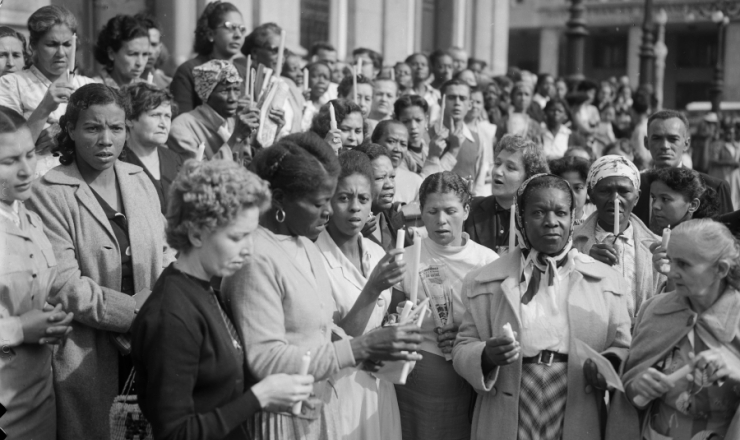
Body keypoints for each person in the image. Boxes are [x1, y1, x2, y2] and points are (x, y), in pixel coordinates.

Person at [221, 132, 423, 440]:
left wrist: (375, 346)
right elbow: (264, 359)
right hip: (276, 422)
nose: (328, 212)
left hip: (316, 412)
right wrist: (357, 347)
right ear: (279, 200)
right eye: (319, 202)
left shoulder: (303, 244)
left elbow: (321, 331)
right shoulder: (254, 257)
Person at [26, 83, 173, 440]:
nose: (106, 139)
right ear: (71, 130)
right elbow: (63, 283)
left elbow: (168, 253)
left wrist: (150, 312)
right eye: (93, 128)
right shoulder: (50, 192)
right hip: (88, 355)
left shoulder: (139, 181)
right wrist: (131, 314)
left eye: (116, 128)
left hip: (149, 347)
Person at [131, 159, 314, 440]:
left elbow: (212, 395)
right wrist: (259, 396)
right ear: (195, 233)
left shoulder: (201, 289)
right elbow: (175, 433)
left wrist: (272, 396)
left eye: (251, 236)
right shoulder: (172, 313)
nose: (248, 249)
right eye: (237, 237)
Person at [453, 173, 632, 440]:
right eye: (538, 212)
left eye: (560, 212)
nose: (551, 222)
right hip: (509, 397)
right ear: (520, 220)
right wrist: (486, 356)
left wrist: (607, 366)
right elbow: (462, 346)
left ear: (573, 218)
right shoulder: (485, 281)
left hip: (576, 398)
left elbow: (624, 346)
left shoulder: (606, 281)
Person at [610, 219, 740, 440]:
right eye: (670, 261)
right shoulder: (654, 309)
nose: (670, 272)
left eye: (684, 264)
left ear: (720, 269)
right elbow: (630, 387)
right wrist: (635, 386)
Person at [393, 171, 499, 440]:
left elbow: (495, 328)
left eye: (450, 210)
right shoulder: (405, 258)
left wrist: (467, 338)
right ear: (421, 212)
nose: (441, 220)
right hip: (413, 382)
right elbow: (389, 320)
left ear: (466, 210)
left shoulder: (487, 263)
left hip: (464, 383)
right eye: (432, 211)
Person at [316, 150, 403, 440]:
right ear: (328, 199)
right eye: (344, 198)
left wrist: (394, 328)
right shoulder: (313, 256)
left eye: (363, 199)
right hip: (339, 390)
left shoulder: (376, 252)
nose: (355, 208)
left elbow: (380, 318)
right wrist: (373, 288)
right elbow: (331, 340)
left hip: (379, 388)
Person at [0, 106, 74, 440]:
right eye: (9, 161)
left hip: (38, 398)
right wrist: (17, 329)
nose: (27, 169)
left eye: (30, 154)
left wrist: (46, 317)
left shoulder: (27, 215)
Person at [0, 6, 97, 176]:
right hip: (34, 183)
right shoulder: (10, 84)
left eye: (67, 44)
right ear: (33, 46)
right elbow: (8, 149)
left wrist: (66, 135)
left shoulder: (89, 86)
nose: (60, 53)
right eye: (51, 44)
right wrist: (45, 107)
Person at [573, 154, 664, 316]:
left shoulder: (657, 248)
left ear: (636, 197)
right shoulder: (571, 244)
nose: (615, 199)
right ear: (592, 196)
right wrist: (583, 261)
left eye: (624, 191)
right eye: (605, 191)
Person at [633, 110, 734, 226]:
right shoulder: (634, 186)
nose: (665, 146)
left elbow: (728, 239)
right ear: (646, 143)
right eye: (657, 138)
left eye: (673, 139)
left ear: (686, 144)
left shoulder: (714, 188)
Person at [464, 134, 549, 253]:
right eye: (497, 164)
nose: (498, 171)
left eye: (510, 168)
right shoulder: (470, 208)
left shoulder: (537, 219)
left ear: (529, 177)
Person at [167, 59, 258, 161]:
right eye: (224, 91)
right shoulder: (182, 128)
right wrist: (236, 137)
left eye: (236, 90)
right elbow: (199, 174)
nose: (233, 98)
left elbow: (248, 163)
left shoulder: (234, 121)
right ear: (206, 94)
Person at [170, 1, 246, 115]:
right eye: (230, 27)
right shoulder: (188, 71)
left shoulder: (244, 72)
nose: (238, 35)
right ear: (211, 34)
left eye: (242, 29)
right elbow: (181, 122)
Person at [119, 82, 183, 213]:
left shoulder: (174, 159)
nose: (163, 124)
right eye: (155, 115)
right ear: (130, 119)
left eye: (167, 116)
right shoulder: (118, 162)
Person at [423, 80, 488, 196]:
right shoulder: (427, 134)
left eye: (462, 98)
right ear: (440, 102)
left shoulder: (477, 138)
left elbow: (479, 183)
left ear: (469, 104)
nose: (457, 102)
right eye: (451, 97)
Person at [242, 22, 301, 137]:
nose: (281, 56)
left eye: (284, 51)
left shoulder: (289, 85)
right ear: (255, 52)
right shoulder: (247, 82)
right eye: (275, 51)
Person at [355, 143, 404, 251]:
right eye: (379, 178)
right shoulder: (345, 226)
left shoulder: (394, 220)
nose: (389, 185)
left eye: (392, 177)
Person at [372, 119, 422, 203]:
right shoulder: (364, 176)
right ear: (375, 142)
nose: (397, 149)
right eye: (391, 141)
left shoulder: (416, 182)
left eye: (403, 144)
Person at [93, 15, 150, 89]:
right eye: (132, 54)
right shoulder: (95, 88)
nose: (140, 63)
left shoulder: (146, 91)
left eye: (145, 54)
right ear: (111, 53)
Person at [549, 155, 596, 226]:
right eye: (563, 187)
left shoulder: (593, 228)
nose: (571, 195)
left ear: (588, 191)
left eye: (577, 188)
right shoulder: (549, 225)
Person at [394, 94, 431, 173]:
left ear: (426, 121)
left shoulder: (427, 149)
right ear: (397, 122)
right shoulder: (398, 154)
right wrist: (434, 158)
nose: (413, 126)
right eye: (406, 121)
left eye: (418, 120)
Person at [134, 14, 172, 89]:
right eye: (145, 44)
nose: (149, 51)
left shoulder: (168, 85)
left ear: (160, 48)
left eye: (154, 44)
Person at [405, 53, 441, 124]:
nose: (419, 67)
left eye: (423, 65)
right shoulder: (403, 93)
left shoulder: (436, 94)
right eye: (415, 64)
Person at [708, 118, 739, 184]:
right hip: (721, 178)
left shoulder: (736, 146)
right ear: (724, 133)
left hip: (733, 179)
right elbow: (713, 161)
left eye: (732, 133)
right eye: (728, 133)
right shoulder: (717, 145)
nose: (730, 136)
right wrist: (729, 163)